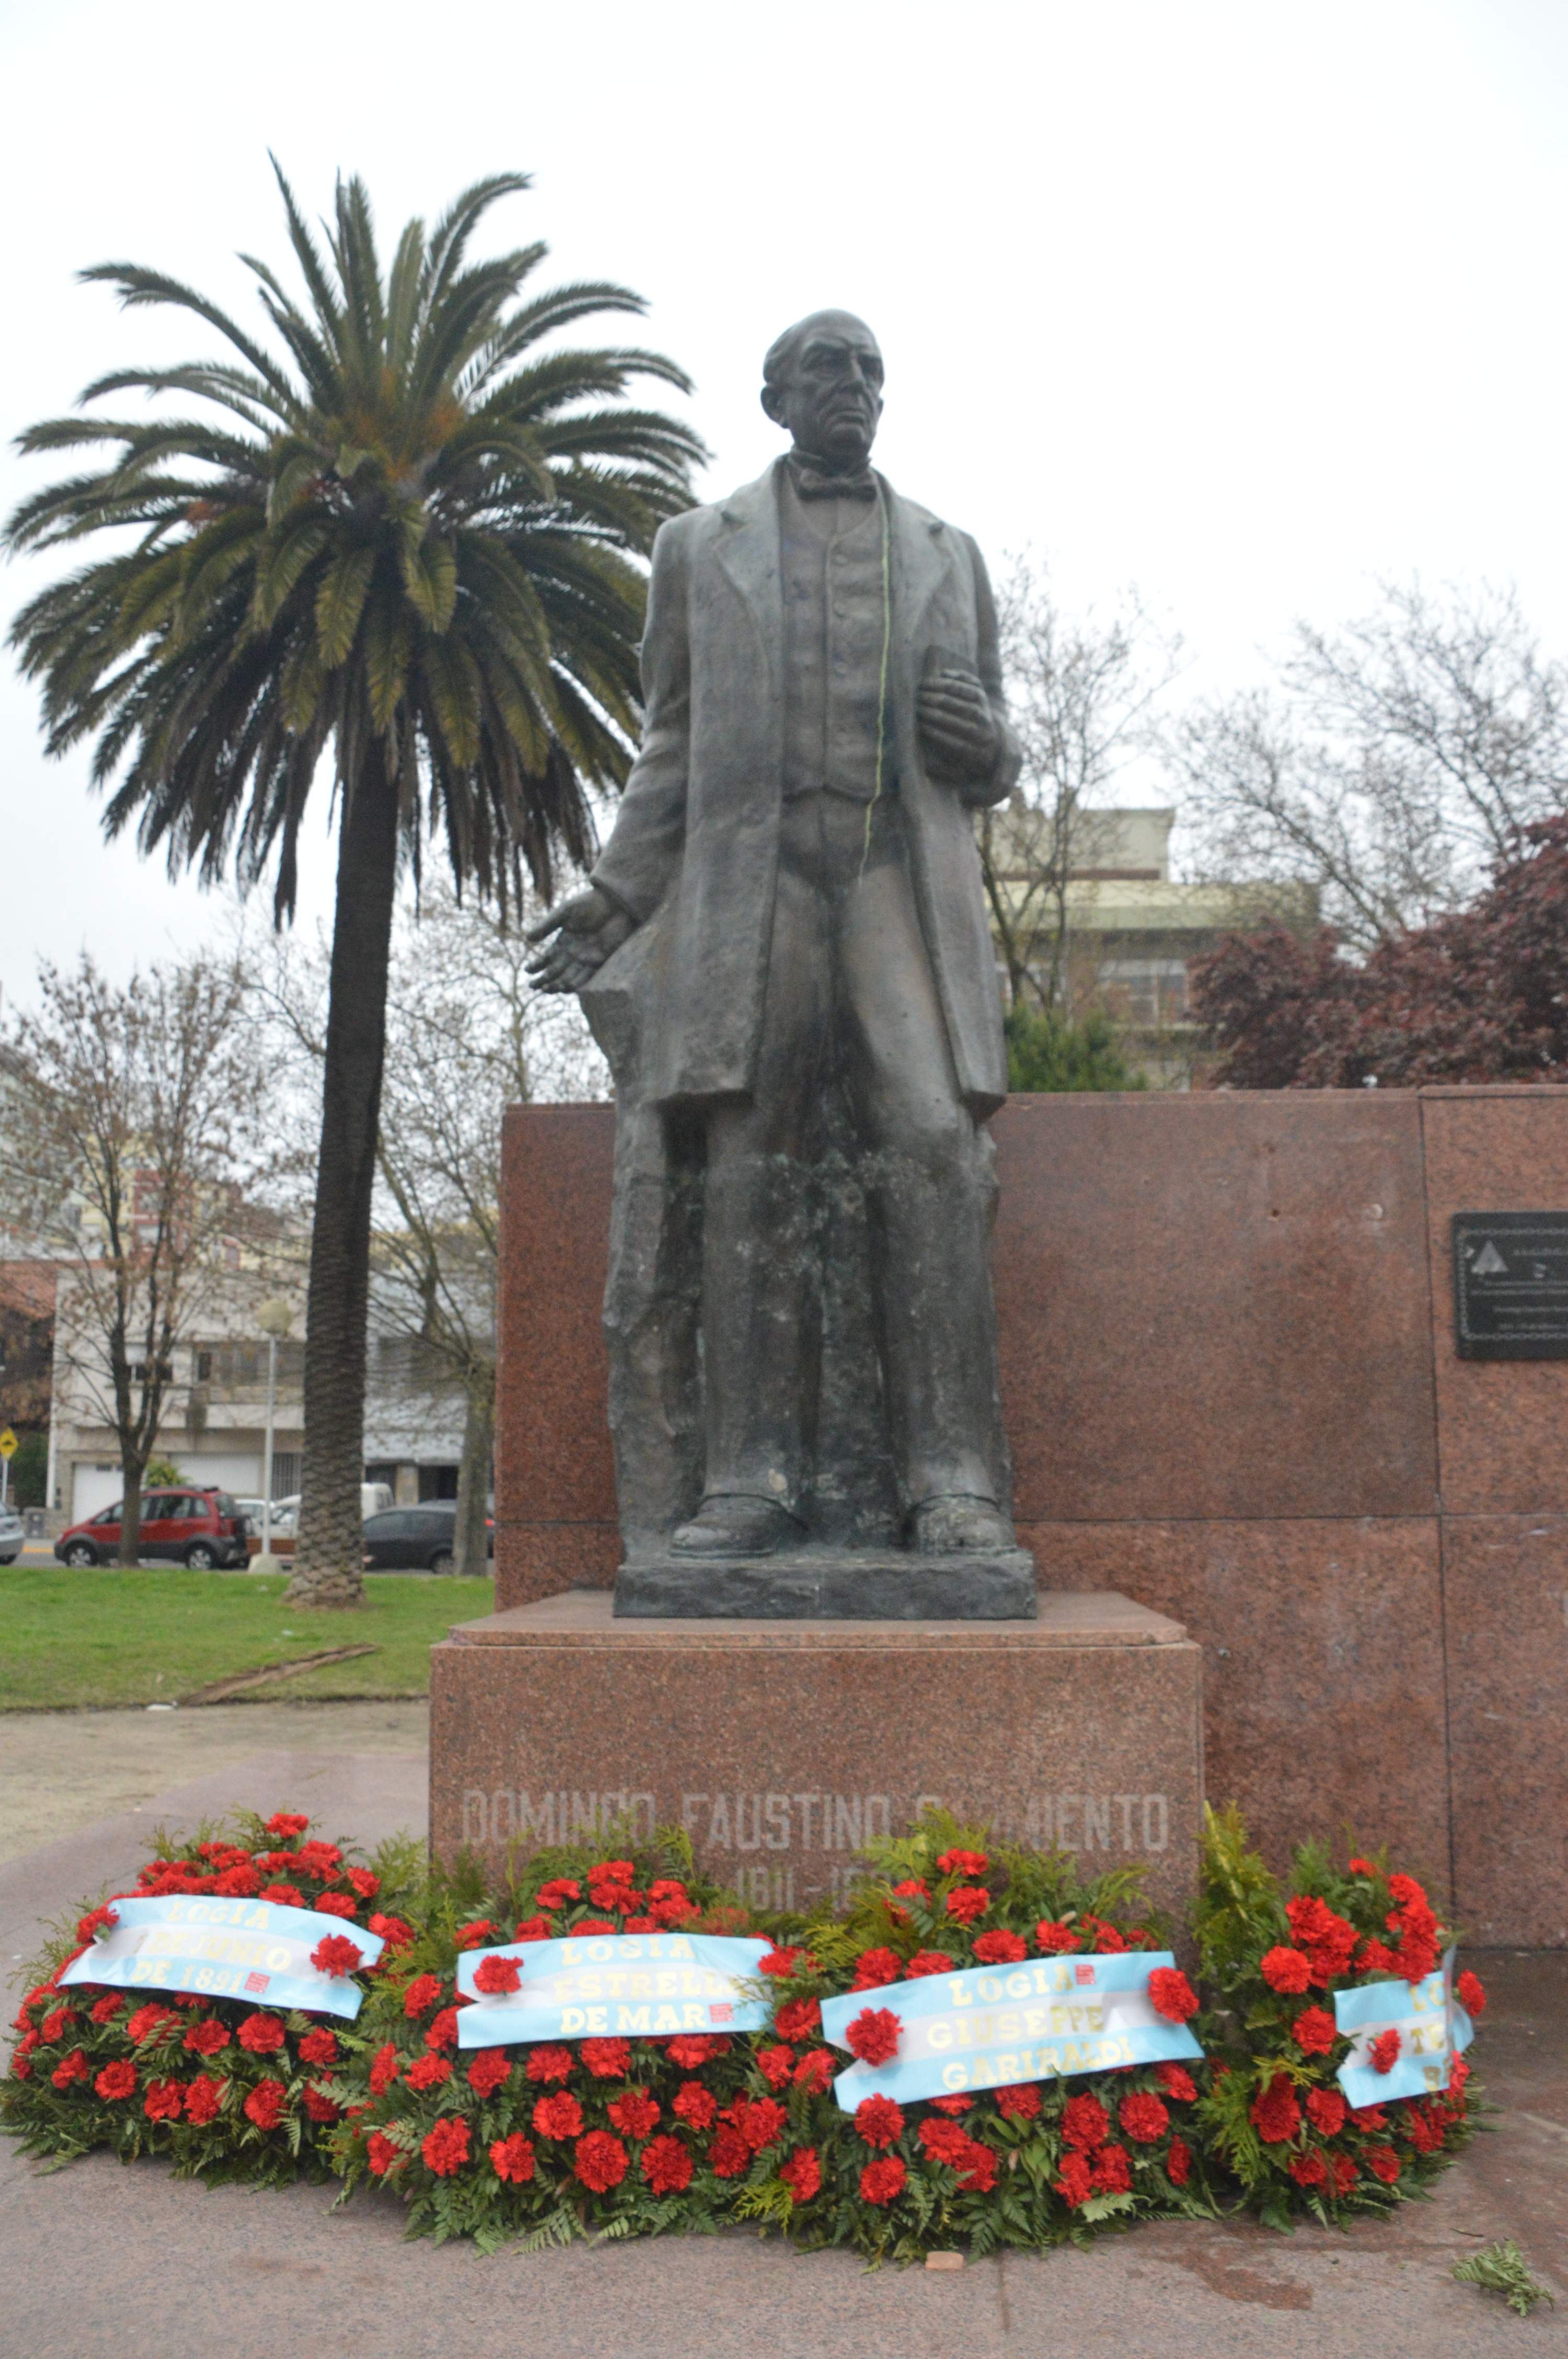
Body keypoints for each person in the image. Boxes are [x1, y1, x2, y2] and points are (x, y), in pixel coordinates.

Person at [529, 311, 1021, 1560]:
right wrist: (619, 894)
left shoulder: (949, 555)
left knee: (929, 1139)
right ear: (775, 400)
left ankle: (952, 1482)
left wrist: (992, 752)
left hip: (890, 887)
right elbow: (672, 742)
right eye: (825, 369)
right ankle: (749, 1480)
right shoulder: (700, 549)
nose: (852, 386)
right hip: (758, 888)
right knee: (749, 1158)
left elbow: (995, 743)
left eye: (868, 369)